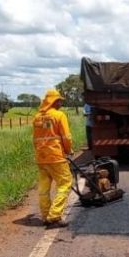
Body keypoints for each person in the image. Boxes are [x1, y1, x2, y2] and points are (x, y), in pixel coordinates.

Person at [33, 90, 74, 229]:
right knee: (65, 183)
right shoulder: (59, 115)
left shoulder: (37, 117)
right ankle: (55, 216)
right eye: (59, 100)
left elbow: (35, 139)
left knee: (44, 187)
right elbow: (66, 137)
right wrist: (68, 151)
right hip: (56, 157)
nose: (61, 103)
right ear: (54, 101)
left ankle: (45, 216)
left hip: (41, 157)